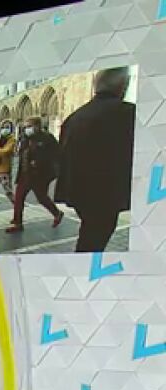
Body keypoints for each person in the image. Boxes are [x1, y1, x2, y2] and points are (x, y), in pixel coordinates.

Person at [55, 67, 136, 252]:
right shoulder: (128, 113)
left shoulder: (74, 117)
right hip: (107, 194)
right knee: (93, 241)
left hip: (79, 193)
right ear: (123, 85)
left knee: (90, 235)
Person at [9, 116, 63, 233]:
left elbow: (56, 154)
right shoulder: (25, 138)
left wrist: (40, 162)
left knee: (42, 198)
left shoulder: (47, 138)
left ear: (37, 126)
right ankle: (17, 223)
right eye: (25, 126)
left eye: (29, 126)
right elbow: (21, 155)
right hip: (25, 174)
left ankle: (57, 213)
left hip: (39, 175)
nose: (27, 129)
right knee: (18, 198)